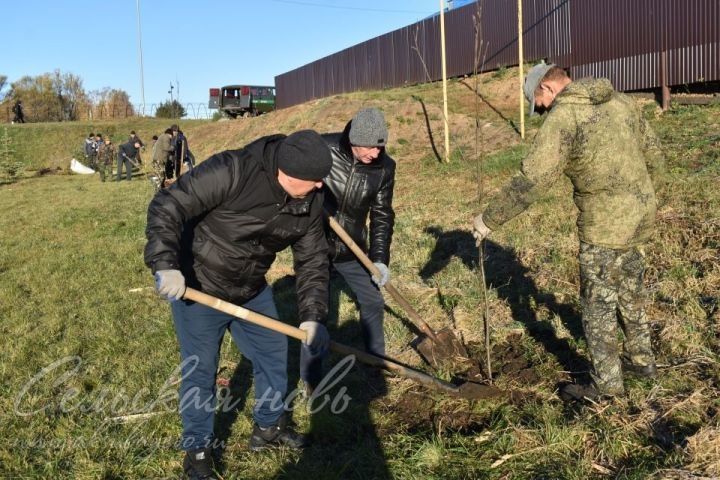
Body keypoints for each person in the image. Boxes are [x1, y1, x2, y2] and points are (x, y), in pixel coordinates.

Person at [145, 129, 333, 479]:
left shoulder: (311, 201)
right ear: (289, 175)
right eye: (315, 181)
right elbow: (168, 204)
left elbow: (313, 261)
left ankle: (268, 428)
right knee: (201, 369)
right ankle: (198, 453)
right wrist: (166, 264)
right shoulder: (232, 169)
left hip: (250, 288)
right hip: (198, 283)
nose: (321, 187)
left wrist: (312, 316)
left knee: (273, 355)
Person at [472, 62, 665, 402]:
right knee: (631, 291)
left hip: (605, 224)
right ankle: (642, 362)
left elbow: (533, 180)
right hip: (641, 215)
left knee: (597, 306)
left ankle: (606, 388)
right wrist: (645, 200)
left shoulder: (565, 116)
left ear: (546, 88)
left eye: (539, 103)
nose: (542, 110)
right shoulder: (621, 101)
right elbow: (654, 155)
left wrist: (489, 219)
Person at [300, 107, 396, 393]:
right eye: (370, 147)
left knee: (374, 301)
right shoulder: (324, 149)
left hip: (352, 248)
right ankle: (311, 380)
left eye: (380, 146)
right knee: (316, 314)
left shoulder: (384, 168)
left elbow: (382, 215)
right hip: (316, 244)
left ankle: (375, 359)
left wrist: (379, 260)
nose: (376, 154)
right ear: (354, 141)